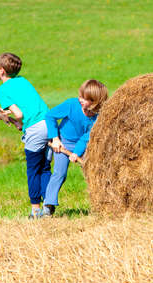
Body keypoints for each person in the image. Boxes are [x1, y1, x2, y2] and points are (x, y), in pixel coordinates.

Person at [0, 52, 51, 219]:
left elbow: (18, 114)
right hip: (49, 123)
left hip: (35, 129)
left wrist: (6, 115)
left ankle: (35, 211)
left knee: (33, 169)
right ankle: (48, 206)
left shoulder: (2, 90)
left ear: (2, 70)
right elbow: (24, 113)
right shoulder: (23, 81)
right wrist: (7, 114)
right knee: (45, 167)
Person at [42, 79, 108, 217]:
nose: (80, 99)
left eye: (85, 98)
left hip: (84, 145)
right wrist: (55, 139)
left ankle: (103, 204)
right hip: (62, 143)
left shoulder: (98, 117)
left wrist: (76, 153)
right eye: (80, 95)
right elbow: (50, 116)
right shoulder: (72, 104)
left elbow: (86, 137)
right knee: (60, 174)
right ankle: (48, 205)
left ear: (95, 101)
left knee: (95, 171)